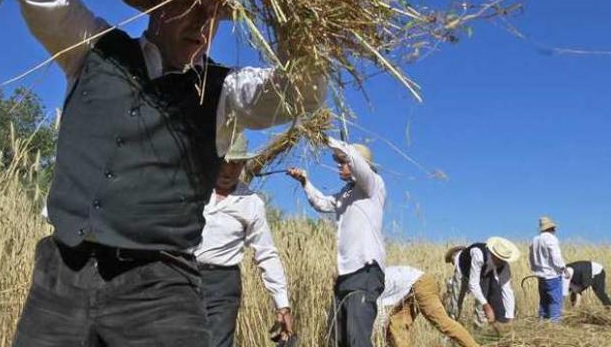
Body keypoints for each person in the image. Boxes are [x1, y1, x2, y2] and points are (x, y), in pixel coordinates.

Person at [9, 0, 325, 346]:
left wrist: (298, 4)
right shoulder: (93, 50)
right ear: (156, 5)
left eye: (213, 13)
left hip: (159, 290)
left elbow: (299, 91)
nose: (202, 24)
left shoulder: (226, 91)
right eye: (188, 4)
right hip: (61, 277)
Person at [195, 133, 294, 347]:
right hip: (183, 275)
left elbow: (266, 253)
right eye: (225, 162)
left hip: (222, 285)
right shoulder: (193, 188)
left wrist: (282, 303)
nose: (229, 170)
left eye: (237, 164)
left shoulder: (251, 203)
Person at [286, 138, 385, 347]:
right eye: (338, 162)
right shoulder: (346, 193)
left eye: (343, 162)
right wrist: (305, 181)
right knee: (338, 338)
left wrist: (328, 140)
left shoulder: (373, 185)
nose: (339, 166)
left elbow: (357, 163)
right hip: (345, 275)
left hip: (365, 272)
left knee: (357, 339)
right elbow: (322, 203)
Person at [378, 266, 480, 347]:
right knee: (397, 326)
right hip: (409, 289)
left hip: (420, 284)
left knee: (443, 323)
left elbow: (379, 313)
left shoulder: (367, 285)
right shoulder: (368, 279)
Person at [446, 237, 520, 325]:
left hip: (484, 274)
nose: (501, 262)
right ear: (493, 254)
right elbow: (473, 283)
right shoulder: (478, 254)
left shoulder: (504, 265)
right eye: (499, 258)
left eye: (504, 260)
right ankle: (451, 326)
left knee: (481, 303)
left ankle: (480, 328)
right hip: (463, 270)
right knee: (456, 302)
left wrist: (510, 317)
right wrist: (487, 306)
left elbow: (507, 289)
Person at [528, 216, 566, 321]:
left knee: (543, 301)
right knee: (555, 301)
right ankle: (554, 325)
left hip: (541, 276)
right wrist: (563, 268)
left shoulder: (535, 240)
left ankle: (542, 322)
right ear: (552, 228)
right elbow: (556, 257)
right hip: (552, 275)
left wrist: (535, 269)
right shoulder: (551, 239)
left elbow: (531, 258)